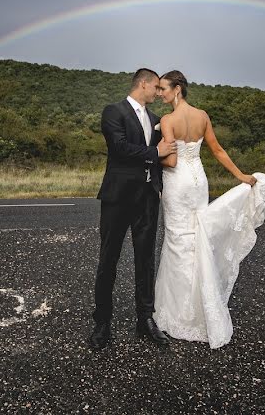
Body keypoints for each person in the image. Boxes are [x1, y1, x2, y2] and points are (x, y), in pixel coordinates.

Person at [153, 70, 265, 349]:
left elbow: (171, 162)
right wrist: (242, 176)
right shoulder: (203, 116)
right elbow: (218, 150)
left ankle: (180, 313)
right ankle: (202, 308)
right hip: (199, 183)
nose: (160, 93)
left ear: (178, 89)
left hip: (178, 184)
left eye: (163, 88)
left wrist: (153, 154)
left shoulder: (168, 120)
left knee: (178, 242)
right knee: (197, 240)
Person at [88, 68, 178, 350]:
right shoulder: (113, 111)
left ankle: (145, 320)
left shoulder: (155, 120)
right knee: (108, 260)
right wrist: (155, 153)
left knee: (145, 261)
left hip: (147, 199)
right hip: (118, 198)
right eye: (156, 88)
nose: (158, 93)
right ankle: (102, 322)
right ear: (143, 84)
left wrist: (160, 186)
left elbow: (161, 159)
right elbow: (119, 148)